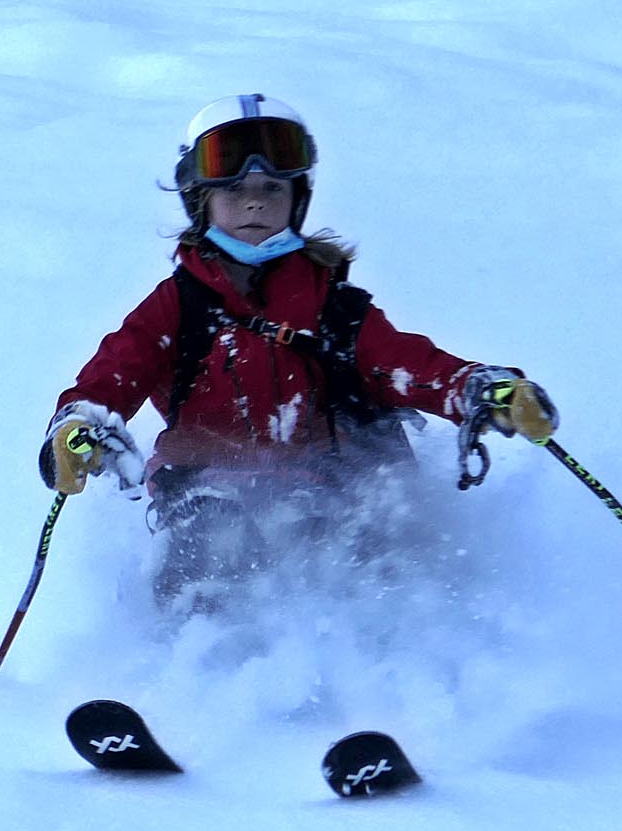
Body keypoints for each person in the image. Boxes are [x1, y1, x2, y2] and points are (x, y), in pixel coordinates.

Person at [39, 93, 558, 607]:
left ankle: (382, 663)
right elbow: (115, 373)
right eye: (234, 190)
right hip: (204, 492)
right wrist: (76, 427)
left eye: (272, 189)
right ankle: (195, 673)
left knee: (335, 543)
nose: (255, 202)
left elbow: (405, 364)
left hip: (321, 491)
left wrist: (477, 390)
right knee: (213, 537)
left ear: (297, 199)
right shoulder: (178, 307)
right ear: (201, 201)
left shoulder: (333, 308)